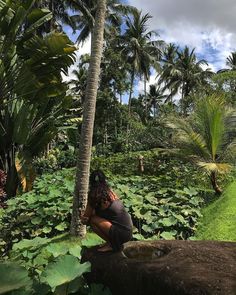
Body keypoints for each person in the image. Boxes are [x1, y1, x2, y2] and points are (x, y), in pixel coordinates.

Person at [81, 170, 133, 252]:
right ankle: (111, 243)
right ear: (104, 180)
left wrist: (82, 217)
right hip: (128, 232)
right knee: (94, 217)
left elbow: (85, 217)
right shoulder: (110, 192)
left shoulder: (94, 195)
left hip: (121, 233)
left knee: (92, 220)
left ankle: (112, 245)